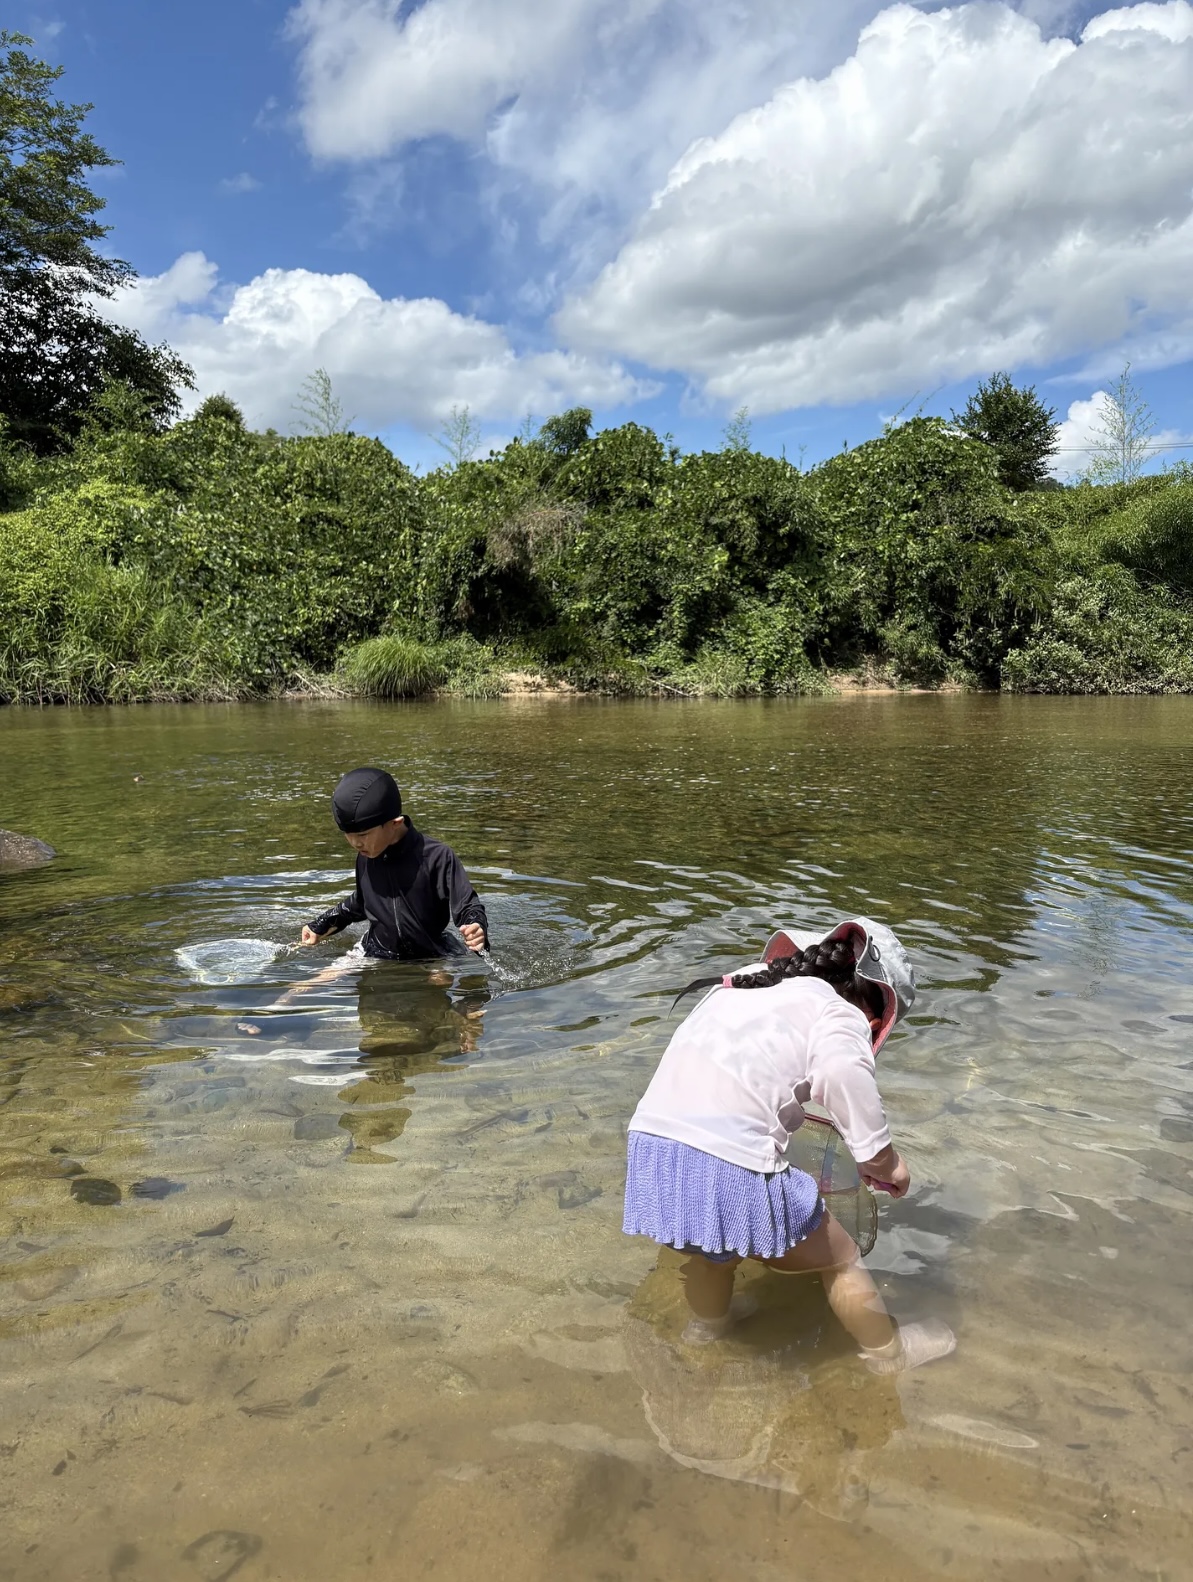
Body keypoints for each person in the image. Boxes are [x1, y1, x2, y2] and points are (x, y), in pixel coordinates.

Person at [623, 918, 955, 1372]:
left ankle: (707, 1326)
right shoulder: (839, 1015)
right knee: (841, 1258)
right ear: (875, 1014)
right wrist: (885, 1162)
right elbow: (842, 1078)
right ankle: (887, 1354)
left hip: (653, 1149)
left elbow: (736, 1081)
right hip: (728, 1162)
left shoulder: (745, 982)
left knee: (713, 1254)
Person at [300, 767, 489, 960]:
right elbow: (361, 902)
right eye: (348, 835)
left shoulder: (437, 857)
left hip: (431, 952)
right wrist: (320, 925)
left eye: (362, 835)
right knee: (304, 987)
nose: (355, 843)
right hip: (375, 949)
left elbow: (468, 905)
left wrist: (476, 927)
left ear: (395, 823)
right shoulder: (366, 855)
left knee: (439, 981)